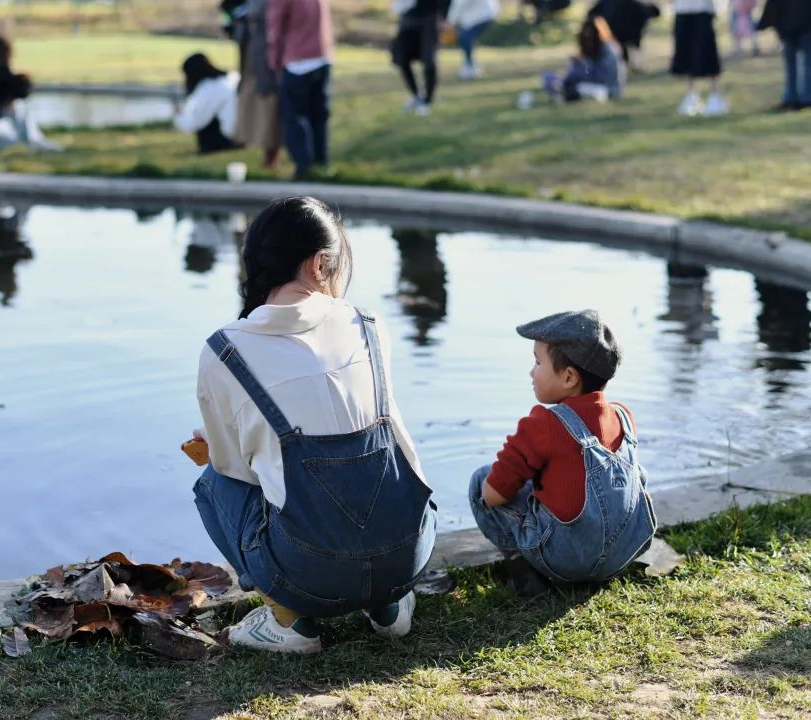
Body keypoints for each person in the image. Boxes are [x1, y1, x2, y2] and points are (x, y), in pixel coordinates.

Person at [190, 196, 436, 653]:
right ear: (321, 263)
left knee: (212, 483)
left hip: (309, 575)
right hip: (408, 553)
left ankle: (289, 622)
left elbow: (234, 470)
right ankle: (388, 605)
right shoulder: (368, 324)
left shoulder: (224, 352)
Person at [467, 310, 656, 596]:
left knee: (480, 481)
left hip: (565, 560)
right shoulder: (623, 417)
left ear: (569, 377)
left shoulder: (544, 424)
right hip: (622, 554)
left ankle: (523, 570)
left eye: (537, 362)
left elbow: (493, 496)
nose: (531, 372)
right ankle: (602, 566)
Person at [268, 0, 334, 180]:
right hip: (322, 56)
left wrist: (274, 60)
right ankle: (320, 162)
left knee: (295, 116)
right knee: (318, 115)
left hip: (297, 59)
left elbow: (275, 26)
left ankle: (303, 165)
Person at [223, 1, 282, 167]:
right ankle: (251, 144)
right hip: (251, 59)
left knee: (269, 105)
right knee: (251, 101)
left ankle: (271, 156)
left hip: (268, 60)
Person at [542, 16, 625, 102]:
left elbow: (603, 78)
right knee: (551, 78)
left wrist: (584, 66)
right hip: (591, 85)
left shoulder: (609, 51)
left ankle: (565, 95)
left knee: (581, 88)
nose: (588, 41)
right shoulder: (590, 51)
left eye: (591, 37)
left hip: (608, 89)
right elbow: (586, 72)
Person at [391, 0, 450, 115]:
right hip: (408, 19)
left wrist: (444, 17)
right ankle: (416, 95)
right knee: (402, 58)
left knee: (429, 60)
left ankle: (427, 101)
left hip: (430, 18)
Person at [174, 53, 240, 155]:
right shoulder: (231, 77)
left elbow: (194, 123)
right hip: (247, 134)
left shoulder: (208, 88)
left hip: (229, 139)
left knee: (205, 124)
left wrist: (178, 115)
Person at [671, 0, 728, 116]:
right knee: (685, 53)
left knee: (707, 52)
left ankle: (715, 95)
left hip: (703, 10)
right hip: (682, 10)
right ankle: (691, 95)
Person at [758, 0, 811, 110]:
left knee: (799, 65)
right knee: (802, 65)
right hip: (796, 28)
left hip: (796, 27)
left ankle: (798, 98)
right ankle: (797, 98)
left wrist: (763, 23)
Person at [588, 0, 661, 72]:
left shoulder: (636, 5)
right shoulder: (642, 12)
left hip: (605, 28)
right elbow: (636, 34)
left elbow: (592, 12)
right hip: (615, 31)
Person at [446, 0, 498, 80]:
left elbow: (460, 4)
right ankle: (471, 64)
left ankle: (470, 66)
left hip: (483, 15)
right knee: (465, 38)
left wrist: (450, 22)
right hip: (481, 15)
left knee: (465, 38)